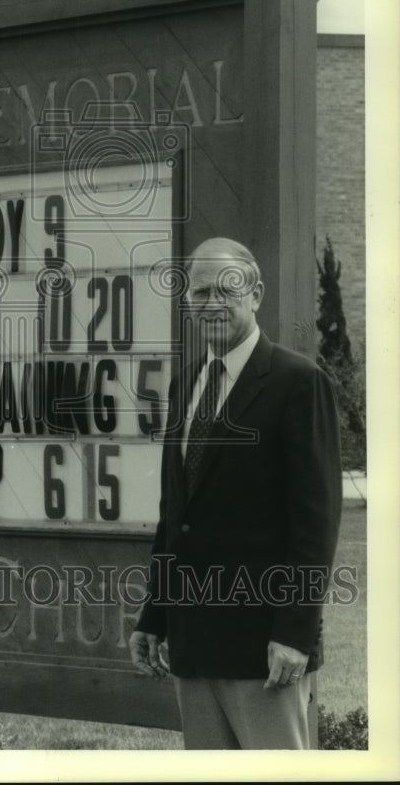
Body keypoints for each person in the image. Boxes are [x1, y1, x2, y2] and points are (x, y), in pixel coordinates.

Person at [129, 237, 342, 749]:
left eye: (228, 289)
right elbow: (174, 516)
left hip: (264, 651)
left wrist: (294, 634)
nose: (213, 303)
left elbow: (316, 524)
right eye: (200, 293)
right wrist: (155, 615)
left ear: (256, 294)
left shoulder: (298, 383)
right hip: (193, 647)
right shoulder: (185, 387)